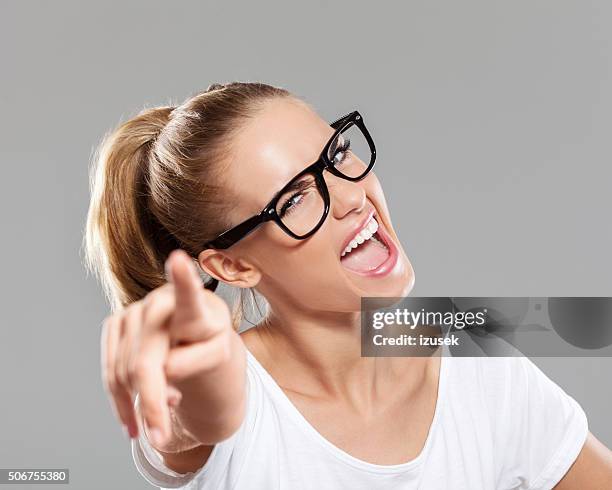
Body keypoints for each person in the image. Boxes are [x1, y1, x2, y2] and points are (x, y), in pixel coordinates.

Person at [84, 81, 612, 489]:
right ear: (233, 267)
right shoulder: (233, 394)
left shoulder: (475, 354)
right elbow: (192, 420)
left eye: (335, 155)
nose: (351, 197)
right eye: (294, 200)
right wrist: (199, 381)